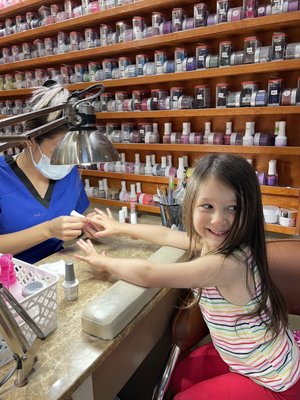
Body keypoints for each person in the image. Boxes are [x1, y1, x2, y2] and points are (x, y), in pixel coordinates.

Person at [75, 154, 300, 400]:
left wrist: (104, 261)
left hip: (272, 380)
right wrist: (120, 227)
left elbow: (149, 273)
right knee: (177, 376)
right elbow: (167, 235)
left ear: (250, 210)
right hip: (251, 355)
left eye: (233, 208)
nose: (218, 220)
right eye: (208, 206)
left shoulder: (226, 264)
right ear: (191, 205)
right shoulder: (216, 243)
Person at [0, 81, 91, 264]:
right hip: (10, 279)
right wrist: (47, 230)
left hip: (53, 272)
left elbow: (75, 218)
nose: (67, 161)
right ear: (31, 140)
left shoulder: (70, 173)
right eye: (59, 151)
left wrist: (87, 225)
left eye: (72, 151)